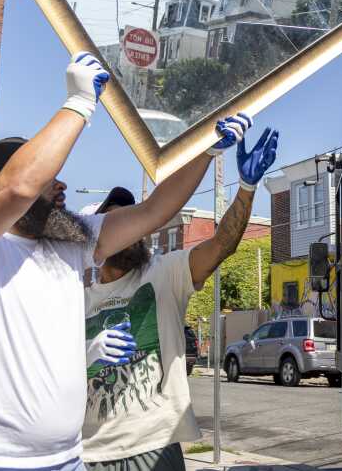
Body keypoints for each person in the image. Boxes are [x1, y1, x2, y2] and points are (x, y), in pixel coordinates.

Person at [0, 51, 253, 471]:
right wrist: (78, 104)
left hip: (65, 460)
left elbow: (154, 212)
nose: (62, 184)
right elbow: (20, 187)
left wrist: (206, 151)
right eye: (50, 175)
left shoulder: (67, 240)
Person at [82, 128, 280, 471]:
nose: (131, 231)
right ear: (96, 238)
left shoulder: (165, 273)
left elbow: (221, 245)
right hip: (89, 454)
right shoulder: (74, 299)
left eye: (135, 221)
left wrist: (246, 188)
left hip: (155, 448)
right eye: (117, 223)